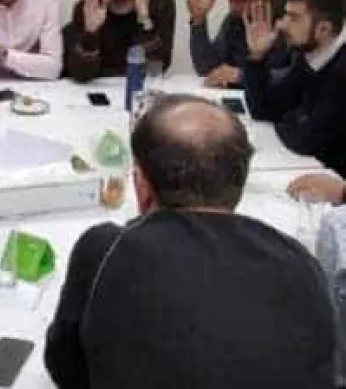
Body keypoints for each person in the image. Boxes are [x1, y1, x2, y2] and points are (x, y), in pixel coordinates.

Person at [44, 94, 336, 388]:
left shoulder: (105, 249)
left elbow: (66, 368)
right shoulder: (302, 262)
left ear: (141, 186)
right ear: (239, 183)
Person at [243, 0, 346, 178]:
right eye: (285, 15)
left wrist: (290, 120)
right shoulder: (310, 56)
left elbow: (307, 141)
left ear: (324, 29)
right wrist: (257, 56)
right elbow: (266, 109)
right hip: (313, 170)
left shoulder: (342, 70)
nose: (281, 24)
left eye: (294, 18)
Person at [189, 0, 289, 88]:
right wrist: (199, 21)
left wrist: (242, 75)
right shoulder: (235, 19)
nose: (233, 8)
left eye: (241, 1)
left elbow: (301, 76)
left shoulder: (294, 16)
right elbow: (207, 69)